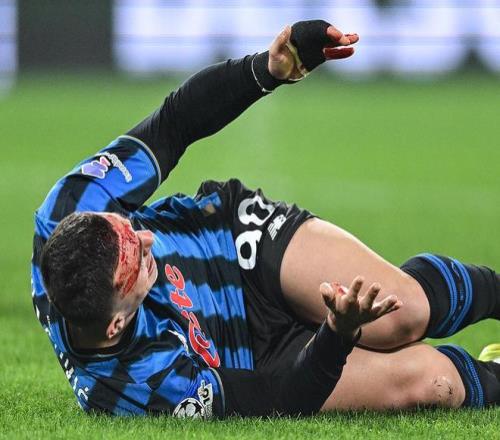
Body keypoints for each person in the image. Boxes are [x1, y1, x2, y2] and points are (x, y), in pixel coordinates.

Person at [32, 20, 500, 418]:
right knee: (431, 383)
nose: (147, 239)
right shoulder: (143, 388)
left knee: (405, 313)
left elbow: (175, 122)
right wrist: (337, 334)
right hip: (256, 360)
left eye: (130, 230)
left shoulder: (71, 207)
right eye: (135, 260)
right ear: (115, 325)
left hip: (233, 242)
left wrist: (265, 70)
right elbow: (281, 396)